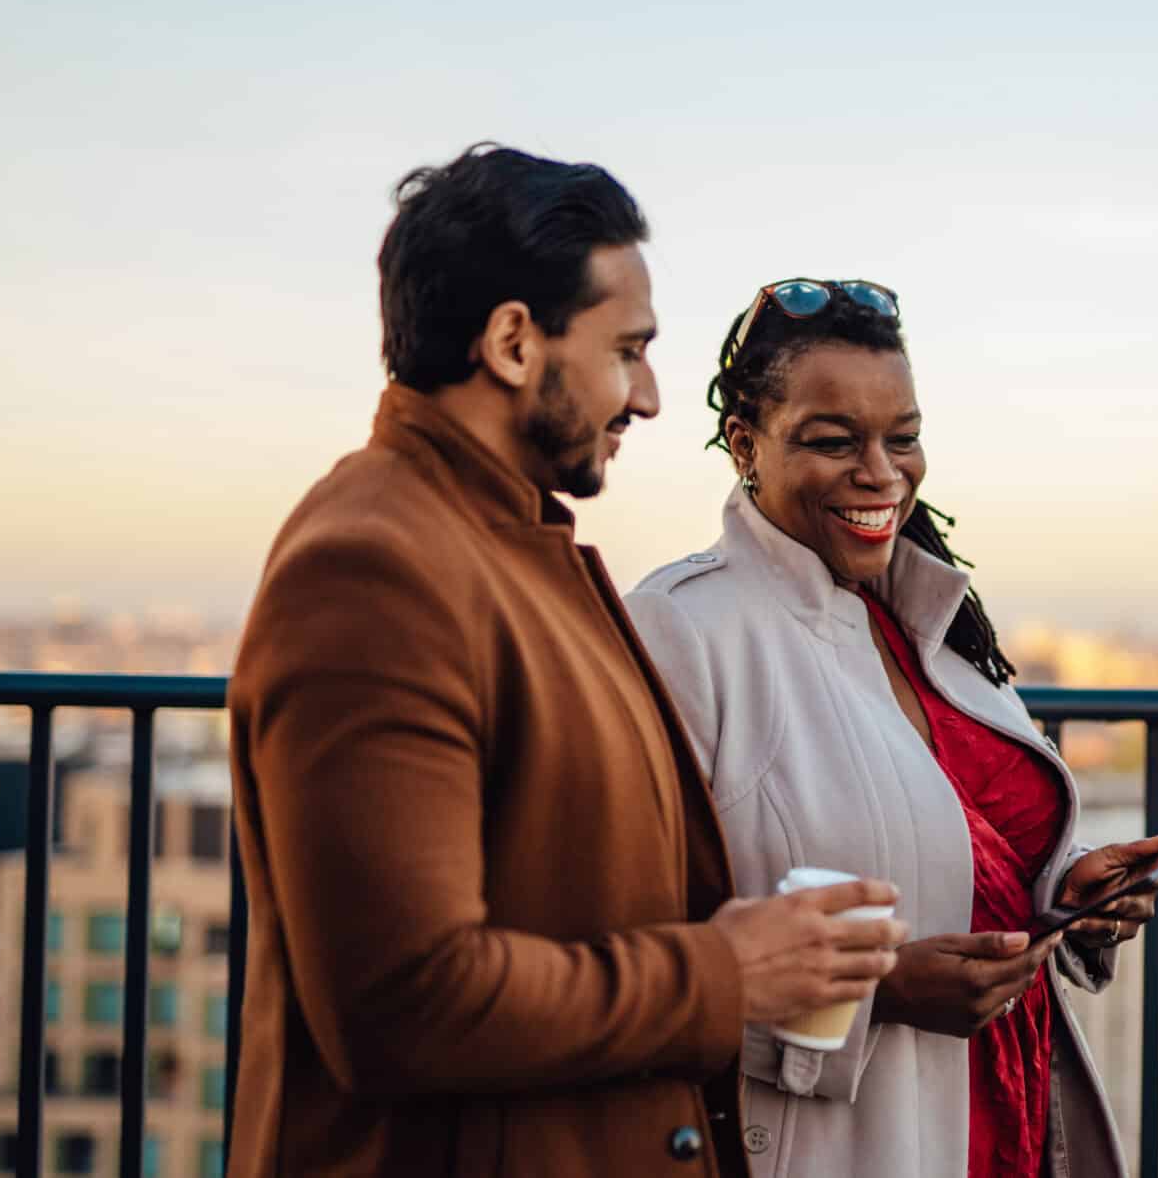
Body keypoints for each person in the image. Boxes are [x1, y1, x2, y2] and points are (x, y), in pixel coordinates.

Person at [226, 152, 906, 1178]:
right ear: (511, 342)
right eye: (625, 350)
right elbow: (403, 1007)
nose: (646, 395)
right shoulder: (372, 567)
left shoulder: (488, 545)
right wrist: (724, 971)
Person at [626, 280, 1158, 1178]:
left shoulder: (929, 622)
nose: (881, 472)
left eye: (903, 437)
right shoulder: (684, 628)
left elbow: (955, 855)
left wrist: (1067, 901)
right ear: (744, 446)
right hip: (847, 1142)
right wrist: (879, 993)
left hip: (1004, 1122)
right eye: (833, 440)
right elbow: (635, 958)